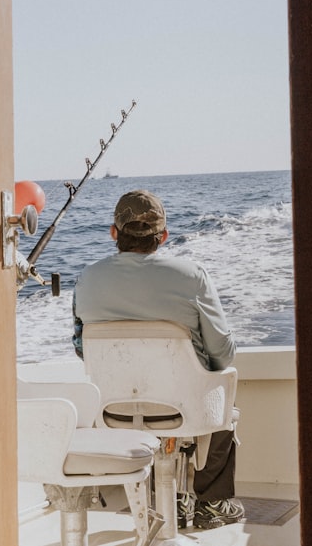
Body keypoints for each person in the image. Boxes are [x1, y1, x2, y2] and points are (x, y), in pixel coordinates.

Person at [72, 189, 245, 530]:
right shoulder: (191, 276)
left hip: (113, 413)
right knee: (223, 395)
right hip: (188, 411)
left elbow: (80, 348)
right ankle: (210, 504)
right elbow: (222, 354)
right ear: (163, 236)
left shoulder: (86, 280)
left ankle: (155, 499)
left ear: (113, 233)